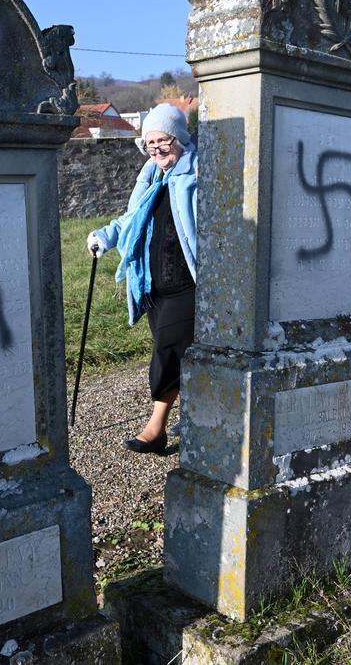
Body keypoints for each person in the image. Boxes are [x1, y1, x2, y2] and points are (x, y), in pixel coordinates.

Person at [86, 103, 197, 454]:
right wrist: (104, 236)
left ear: (178, 137)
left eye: (163, 141)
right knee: (183, 353)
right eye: (150, 144)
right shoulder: (151, 177)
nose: (157, 150)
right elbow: (130, 219)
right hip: (153, 287)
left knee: (167, 352)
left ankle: (156, 428)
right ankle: (198, 415)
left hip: (188, 283)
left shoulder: (198, 175)